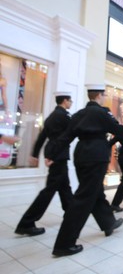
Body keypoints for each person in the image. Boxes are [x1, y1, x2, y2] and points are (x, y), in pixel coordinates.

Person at [45, 84, 123, 257]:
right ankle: (64, 244)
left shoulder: (79, 115)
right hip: (96, 156)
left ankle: (108, 223)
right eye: (103, 96)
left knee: (95, 192)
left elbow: (65, 137)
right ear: (99, 96)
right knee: (83, 198)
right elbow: (118, 130)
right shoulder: (102, 113)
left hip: (80, 155)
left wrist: (51, 154)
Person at [15, 92, 74, 236]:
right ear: (65, 101)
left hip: (54, 154)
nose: (71, 103)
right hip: (58, 155)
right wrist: (52, 155)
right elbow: (66, 137)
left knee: (64, 187)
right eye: (70, 100)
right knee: (49, 191)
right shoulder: (64, 116)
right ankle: (26, 223)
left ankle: (72, 214)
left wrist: (35, 154)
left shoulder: (51, 116)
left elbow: (42, 137)